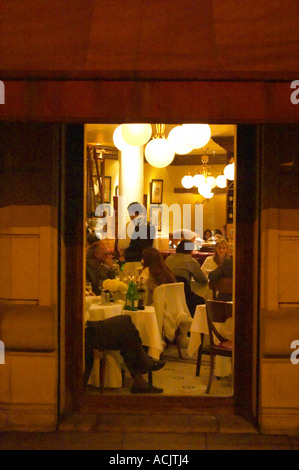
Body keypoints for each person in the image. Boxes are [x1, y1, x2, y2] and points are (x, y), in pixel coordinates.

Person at [83, 315, 165, 394]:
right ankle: (144, 367)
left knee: (127, 332)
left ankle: (140, 378)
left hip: (86, 326)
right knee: (126, 323)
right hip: (85, 331)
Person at [117, 202, 156, 276]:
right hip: (146, 263)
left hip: (132, 262)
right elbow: (155, 247)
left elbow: (122, 244)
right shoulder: (151, 226)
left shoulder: (130, 225)